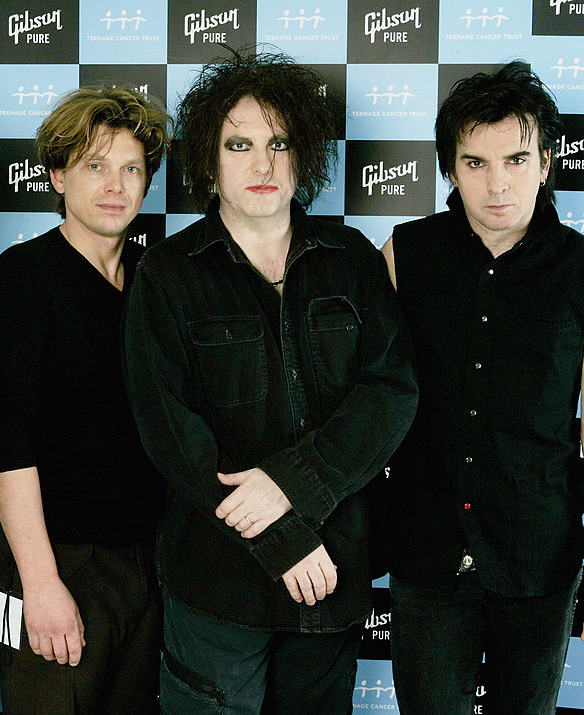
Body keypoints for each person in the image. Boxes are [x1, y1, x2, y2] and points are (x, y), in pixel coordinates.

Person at [122, 51, 418, 714]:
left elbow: (391, 393)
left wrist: (293, 484)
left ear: (304, 156)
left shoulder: (353, 261)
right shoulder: (167, 274)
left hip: (331, 576)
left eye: (279, 142)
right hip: (218, 585)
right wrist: (283, 536)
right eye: (239, 143)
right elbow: (174, 435)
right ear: (208, 160)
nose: (262, 163)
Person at [380, 61, 584, 713]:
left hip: (538, 554)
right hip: (426, 551)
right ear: (449, 168)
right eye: (475, 163)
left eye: (517, 159)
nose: (498, 184)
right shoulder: (403, 253)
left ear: (547, 162)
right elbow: (369, 402)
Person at [0, 86, 170, 713]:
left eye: (131, 168)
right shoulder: (22, 279)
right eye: (95, 165)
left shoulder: (156, 279)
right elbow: (7, 440)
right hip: (56, 560)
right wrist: (39, 582)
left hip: (146, 561)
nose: (116, 184)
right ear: (58, 175)